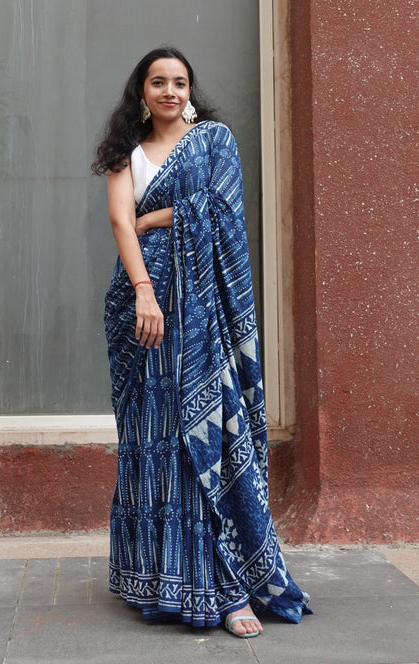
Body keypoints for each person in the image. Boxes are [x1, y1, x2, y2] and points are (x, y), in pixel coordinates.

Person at [92, 46, 311, 638]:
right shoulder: (126, 151)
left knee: (206, 435)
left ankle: (228, 588)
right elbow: (120, 221)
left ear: (190, 91)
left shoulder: (214, 142)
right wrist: (144, 292)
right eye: (158, 82)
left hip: (202, 311)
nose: (170, 91)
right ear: (141, 91)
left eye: (180, 82)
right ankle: (157, 577)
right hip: (141, 306)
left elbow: (223, 213)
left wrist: (159, 217)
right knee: (153, 438)